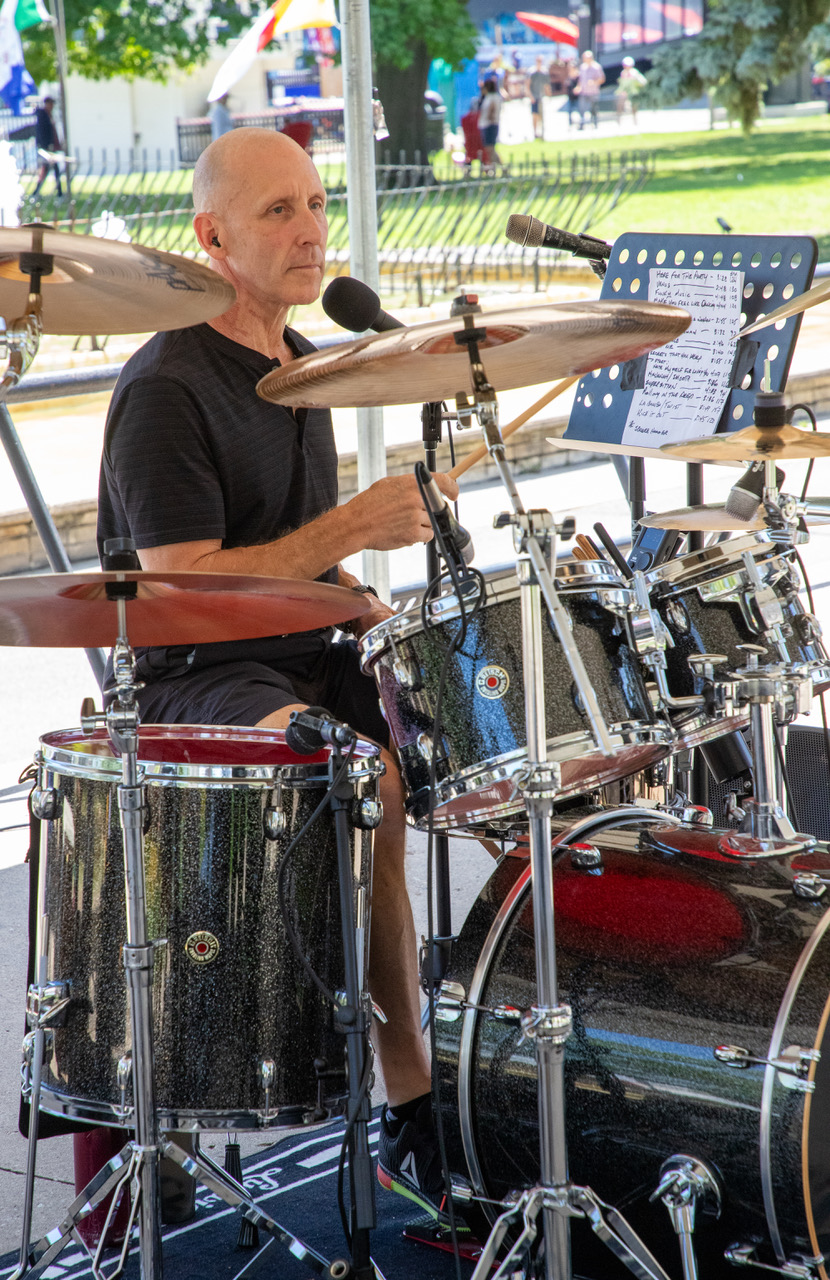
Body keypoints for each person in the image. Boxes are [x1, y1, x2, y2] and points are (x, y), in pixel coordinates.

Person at [97, 127, 461, 1223]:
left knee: (460, 724)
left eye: (314, 203)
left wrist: (359, 587)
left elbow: (289, 547)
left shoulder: (299, 363)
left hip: (297, 649)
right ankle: (389, 1092)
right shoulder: (167, 386)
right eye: (277, 212)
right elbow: (181, 592)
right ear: (210, 237)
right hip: (194, 675)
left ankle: (442, 1076)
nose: (310, 230)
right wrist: (348, 525)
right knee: (368, 778)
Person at [33, 96, 63, 197]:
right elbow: (42, 133)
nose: (52, 106)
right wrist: (47, 146)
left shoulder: (49, 115)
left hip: (51, 147)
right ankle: (37, 192)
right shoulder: (43, 115)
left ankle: (59, 191)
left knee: (54, 169)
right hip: (46, 148)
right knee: (46, 169)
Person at [477, 77, 504, 172]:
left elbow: (491, 110)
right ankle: (494, 167)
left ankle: (500, 167)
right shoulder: (491, 97)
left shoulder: (492, 97)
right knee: (489, 148)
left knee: (490, 148)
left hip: (490, 125)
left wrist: (489, 118)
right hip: (487, 124)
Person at [575, 49, 605, 129]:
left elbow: (602, 79)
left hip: (593, 92)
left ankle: (594, 124)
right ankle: (582, 125)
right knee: (582, 109)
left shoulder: (597, 67)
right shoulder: (582, 67)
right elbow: (580, 79)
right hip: (584, 92)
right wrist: (578, 87)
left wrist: (594, 82)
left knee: (594, 109)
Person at [615, 56, 647, 125]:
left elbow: (643, 82)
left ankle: (635, 122)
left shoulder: (634, 73)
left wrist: (637, 85)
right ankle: (619, 122)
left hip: (633, 93)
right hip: (624, 93)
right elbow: (622, 84)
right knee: (619, 106)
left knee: (634, 108)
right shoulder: (623, 73)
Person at [527, 55, 549, 138]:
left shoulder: (544, 72)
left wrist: (548, 95)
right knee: (535, 115)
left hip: (541, 96)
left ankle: (542, 132)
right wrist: (530, 96)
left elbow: (546, 85)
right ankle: (535, 132)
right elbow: (527, 85)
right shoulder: (532, 72)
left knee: (542, 115)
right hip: (534, 96)